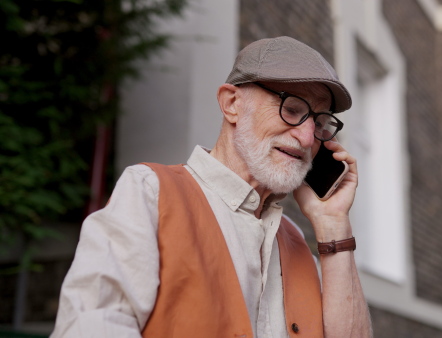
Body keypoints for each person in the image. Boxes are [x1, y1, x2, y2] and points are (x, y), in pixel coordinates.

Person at [51, 36, 372, 338]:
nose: (306, 138)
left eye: (318, 124)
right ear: (232, 103)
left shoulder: (296, 240)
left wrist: (333, 223)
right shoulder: (151, 192)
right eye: (291, 110)